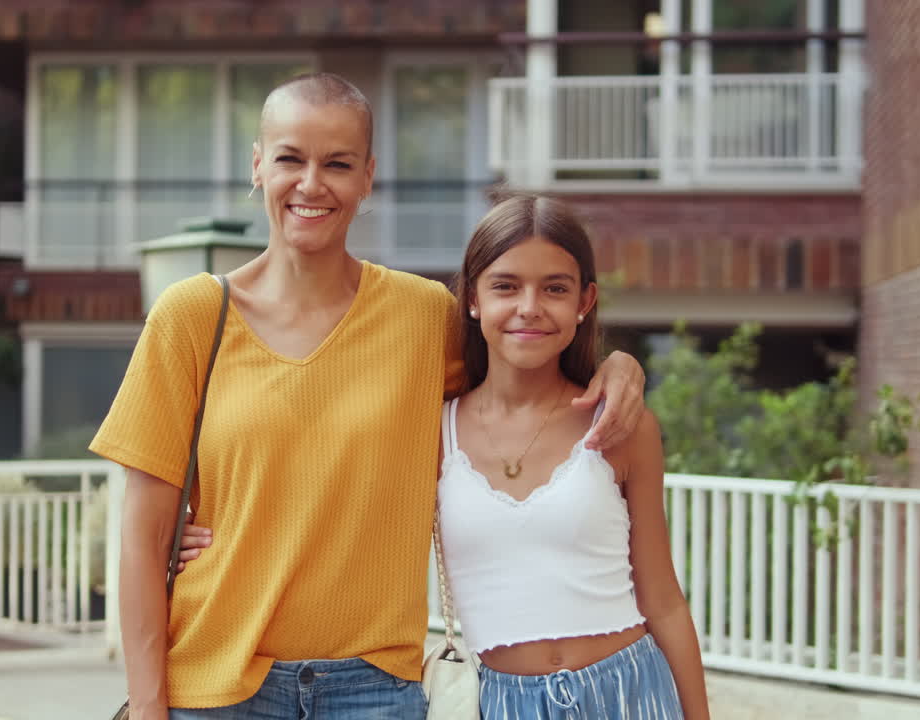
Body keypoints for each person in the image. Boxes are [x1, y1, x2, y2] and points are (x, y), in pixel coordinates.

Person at [90, 72, 646, 720]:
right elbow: (142, 537)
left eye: (338, 163)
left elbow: (525, 376)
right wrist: (150, 708)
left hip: (374, 690)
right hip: (214, 684)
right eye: (290, 158)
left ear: (368, 176)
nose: (311, 183)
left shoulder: (422, 316)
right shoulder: (191, 316)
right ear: (258, 165)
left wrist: (618, 365)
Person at [436, 194, 709, 719]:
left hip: (631, 691)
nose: (530, 307)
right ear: (472, 298)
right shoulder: (434, 431)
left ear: (584, 302)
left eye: (555, 288)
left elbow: (664, 600)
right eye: (506, 286)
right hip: (498, 703)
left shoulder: (622, 427)